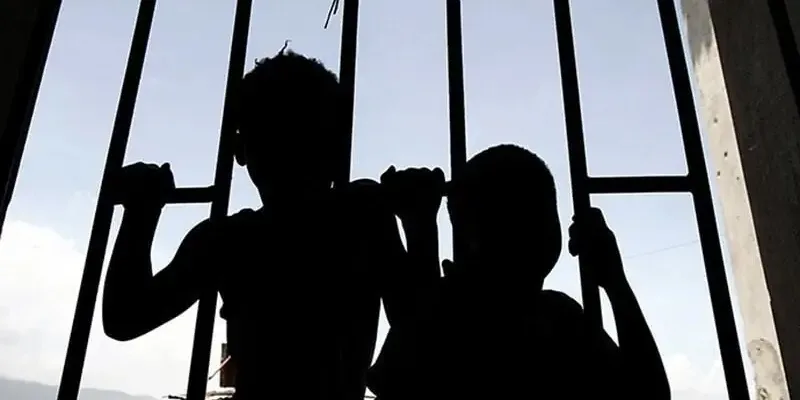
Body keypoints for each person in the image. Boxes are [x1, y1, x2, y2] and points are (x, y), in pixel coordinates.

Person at [101, 49, 405, 400]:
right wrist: (420, 223)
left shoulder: (228, 240)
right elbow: (414, 317)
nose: (290, 148)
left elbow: (125, 318)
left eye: (300, 133)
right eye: (277, 133)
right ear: (337, 149)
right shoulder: (362, 214)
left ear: (240, 150)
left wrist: (141, 211)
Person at [368, 144, 671, 399]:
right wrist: (616, 283)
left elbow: (409, 363)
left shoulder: (551, 314)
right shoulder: (557, 317)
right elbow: (649, 394)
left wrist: (420, 230)